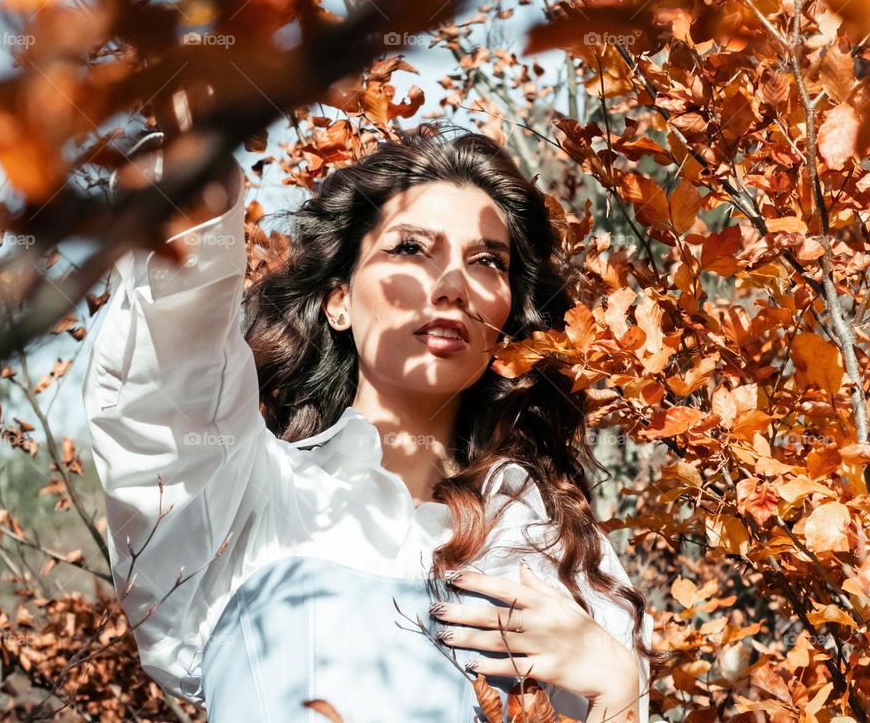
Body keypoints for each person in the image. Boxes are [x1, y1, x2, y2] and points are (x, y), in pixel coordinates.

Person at [82, 123, 663, 722]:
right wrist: (192, 189)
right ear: (339, 300)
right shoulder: (253, 497)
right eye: (410, 248)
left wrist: (618, 687)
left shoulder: (553, 544)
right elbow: (168, 388)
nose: (453, 285)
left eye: (488, 261)